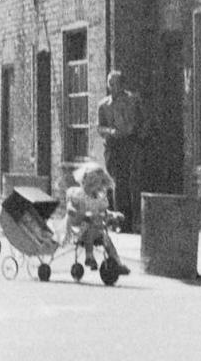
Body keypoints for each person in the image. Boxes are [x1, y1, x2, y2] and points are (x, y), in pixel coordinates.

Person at [96, 70, 143, 232]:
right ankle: (117, 221)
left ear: (122, 84)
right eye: (110, 83)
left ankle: (129, 221)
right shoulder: (103, 105)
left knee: (129, 181)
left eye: (115, 83)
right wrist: (110, 132)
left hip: (129, 143)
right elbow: (100, 128)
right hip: (112, 145)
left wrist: (132, 130)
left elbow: (140, 121)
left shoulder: (132, 100)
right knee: (115, 182)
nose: (112, 87)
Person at [65, 162, 131, 274]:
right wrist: (74, 211)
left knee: (107, 240)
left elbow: (103, 212)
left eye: (96, 183)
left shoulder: (99, 198)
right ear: (84, 181)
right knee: (90, 229)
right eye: (90, 182)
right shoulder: (78, 195)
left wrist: (113, 215)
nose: (93, 186)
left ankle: (117, 263)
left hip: (97, 229)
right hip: (80, 228)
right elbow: (70, 207)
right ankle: (89, 256)